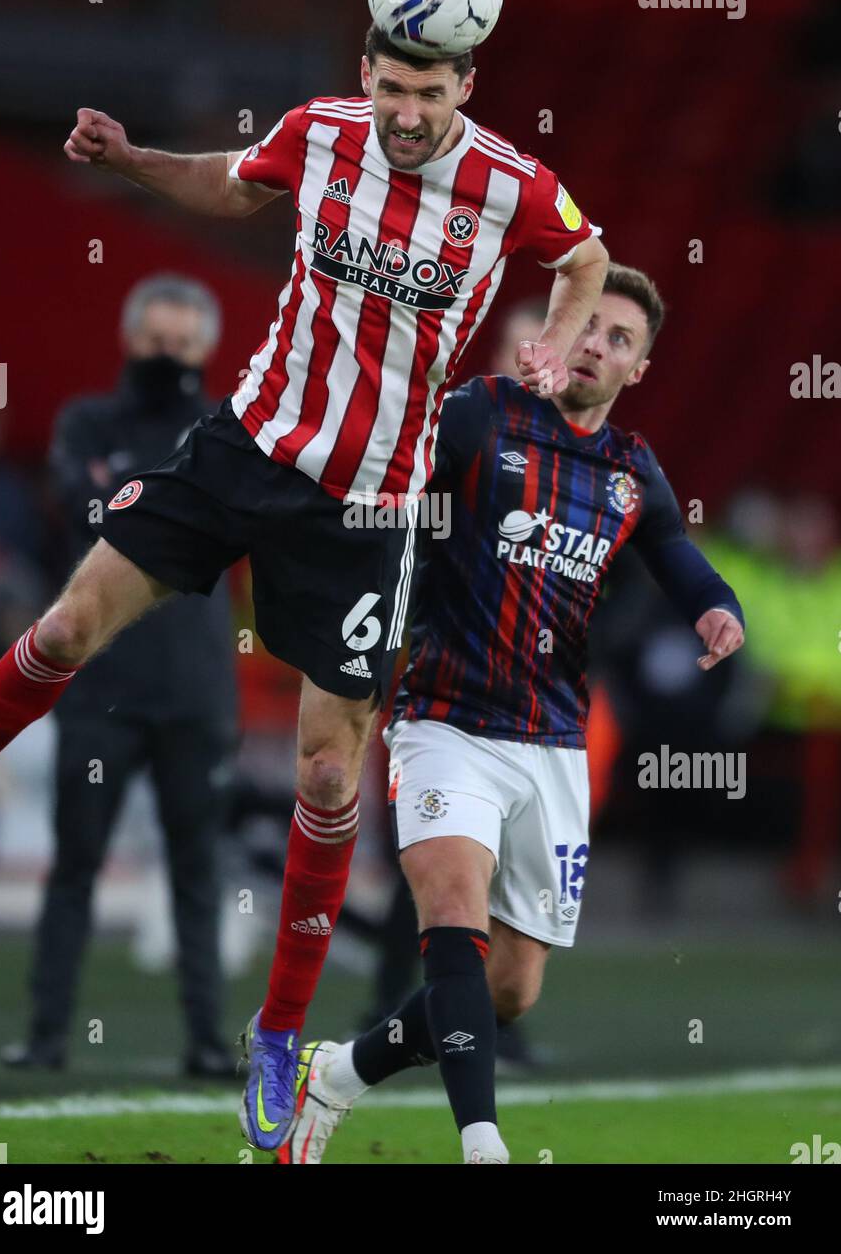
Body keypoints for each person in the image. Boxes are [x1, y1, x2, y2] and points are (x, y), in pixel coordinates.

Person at [0, 0, 608, 1149]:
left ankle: (277, 1037)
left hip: (371, 509)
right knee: (63, 627)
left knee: (323, 774)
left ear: (466, 84)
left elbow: (585, 257)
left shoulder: (513, 185)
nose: (409, 114)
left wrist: (559, 341)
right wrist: (137, 159)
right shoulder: (319, 134)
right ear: (369, 70)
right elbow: (235, 183)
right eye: (394, 88)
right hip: (250, 444)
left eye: (434, 91)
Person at [275, 263, 746, 1166]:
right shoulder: (483, 413)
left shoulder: (629, 467)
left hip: (555, 740)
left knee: (511, 989)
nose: (597, 346)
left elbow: (674, 549)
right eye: (589, 326)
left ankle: (339, 1074)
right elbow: (387, 481)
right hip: (445, 720)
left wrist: (715, 606)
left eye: (621, 340)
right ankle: (482, 1140)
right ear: (559, 330)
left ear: (637, 369)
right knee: (453, 916)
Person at [0, 275, 239, 1078]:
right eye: (156, 341)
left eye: (182, 343)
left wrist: (132, 496)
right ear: (129, 339)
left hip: (197, 688)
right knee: (75, 864)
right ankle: (45, 1036)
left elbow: (143, 513)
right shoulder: (88, 420)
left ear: (205, 348)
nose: (168, 356)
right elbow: (86, 508)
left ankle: (209, 1042)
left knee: (197, 870)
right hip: (98, 684)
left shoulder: (224, 430)